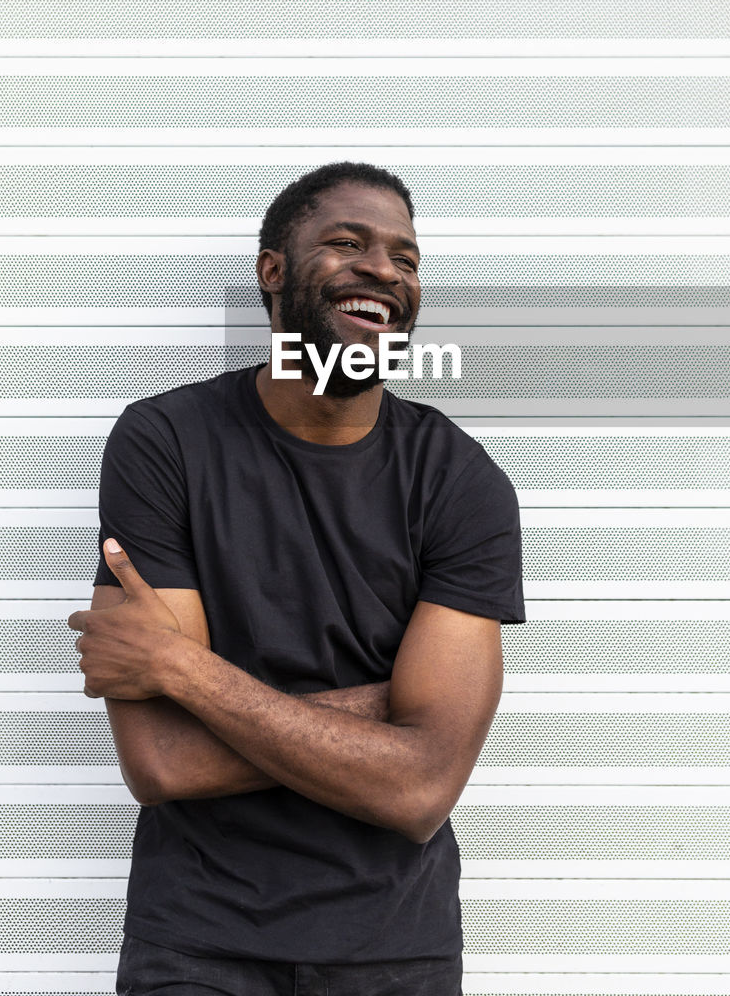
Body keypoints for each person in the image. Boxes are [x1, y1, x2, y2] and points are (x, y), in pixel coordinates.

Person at [69, 160, 525, 996]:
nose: (383, 270)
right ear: (272, 271)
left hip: (394, 949)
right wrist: (387, 709)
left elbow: (422, 785)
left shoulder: (459, 481)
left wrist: (180, 669)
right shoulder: (164, 443)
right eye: (347, 243)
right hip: (196, 944)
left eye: (406, 258)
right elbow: (163, 762)